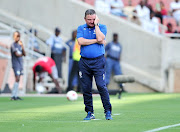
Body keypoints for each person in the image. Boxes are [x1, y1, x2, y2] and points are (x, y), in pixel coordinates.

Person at [77, 9, 112, 120]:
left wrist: (96, 25)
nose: (91, 22)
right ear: (85, 19)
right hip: (84, 62)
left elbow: (101, 38)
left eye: (93, 19)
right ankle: (90, 112)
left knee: (101, 86)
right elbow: (81, 41)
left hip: (98, 61)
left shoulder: (102, 27)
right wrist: (96, 40)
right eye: (89, 20)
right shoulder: (81, 28)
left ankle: (107, 111)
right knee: (86, 88)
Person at [10, 31, 26, 100]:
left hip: (20, 64)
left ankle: (15, 95)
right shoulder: (13, 45)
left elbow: (24, 54)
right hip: (15, 64)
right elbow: (17, 54)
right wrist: (22, 54)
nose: (18, 38)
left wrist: (22, 46)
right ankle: (13, 95)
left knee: (18, 79)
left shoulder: (19, 45)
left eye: (19, 36)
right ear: (14, 37)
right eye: (17, 36)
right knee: (17, 78)